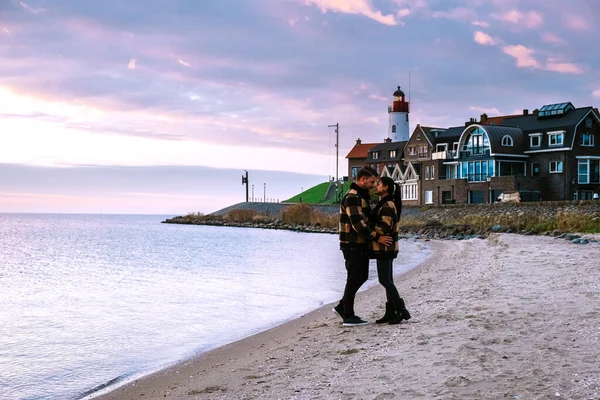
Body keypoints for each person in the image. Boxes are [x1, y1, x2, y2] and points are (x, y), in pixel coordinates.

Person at [333, 166, 392, 327]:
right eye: (372, 181)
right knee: (354, 277)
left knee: (361, 276)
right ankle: (348, 315)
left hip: (358, 243)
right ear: (362, 179)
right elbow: (358, 224)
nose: (374, 185)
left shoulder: (361, 196)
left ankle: (342, 306)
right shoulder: (352, 197)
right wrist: (378, 237)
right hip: (351, 243)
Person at [370, 176, 411, 325]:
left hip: (385, 247)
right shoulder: (387, 203)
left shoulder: (387, 205)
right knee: (388, 279)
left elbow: (385, 228)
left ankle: (401, 309)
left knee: (384, 279)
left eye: (378, 184)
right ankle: (390, 311)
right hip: (388, 247)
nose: (375, 186)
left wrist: (369, 226)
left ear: (386, 187)